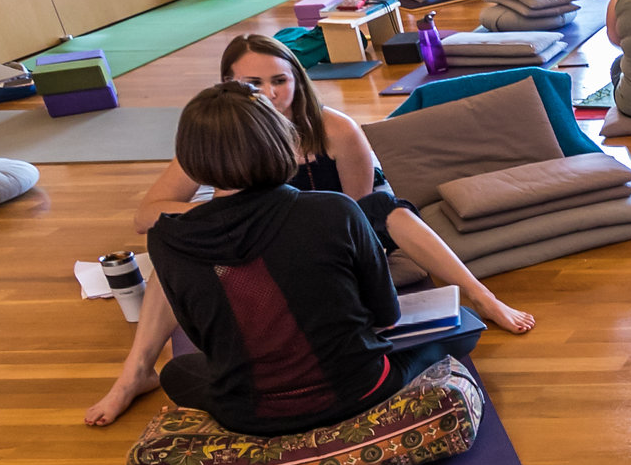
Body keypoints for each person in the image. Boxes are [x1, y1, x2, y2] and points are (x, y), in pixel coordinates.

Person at [85, 38, 532, 424]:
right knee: (179, 254)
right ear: (227, 89)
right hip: (301, 263)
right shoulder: (221, 140)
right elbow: (147, 214)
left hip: (320, 240)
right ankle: (133, 373)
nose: (268, 92)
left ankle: (481, 295)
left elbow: (360, 211)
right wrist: (211, 220)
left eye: (278, 80)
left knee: (388, 210)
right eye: (252, 85)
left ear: (297, 79)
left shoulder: (334, 133)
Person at [92, 84, 452, 436]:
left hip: (251, 417)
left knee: (177, 373)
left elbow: (204, 340)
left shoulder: (168, 238)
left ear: (191, 161)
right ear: (285, 143)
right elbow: (386, 315)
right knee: (454, 334)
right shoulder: (334, 209)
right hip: (362, 390)